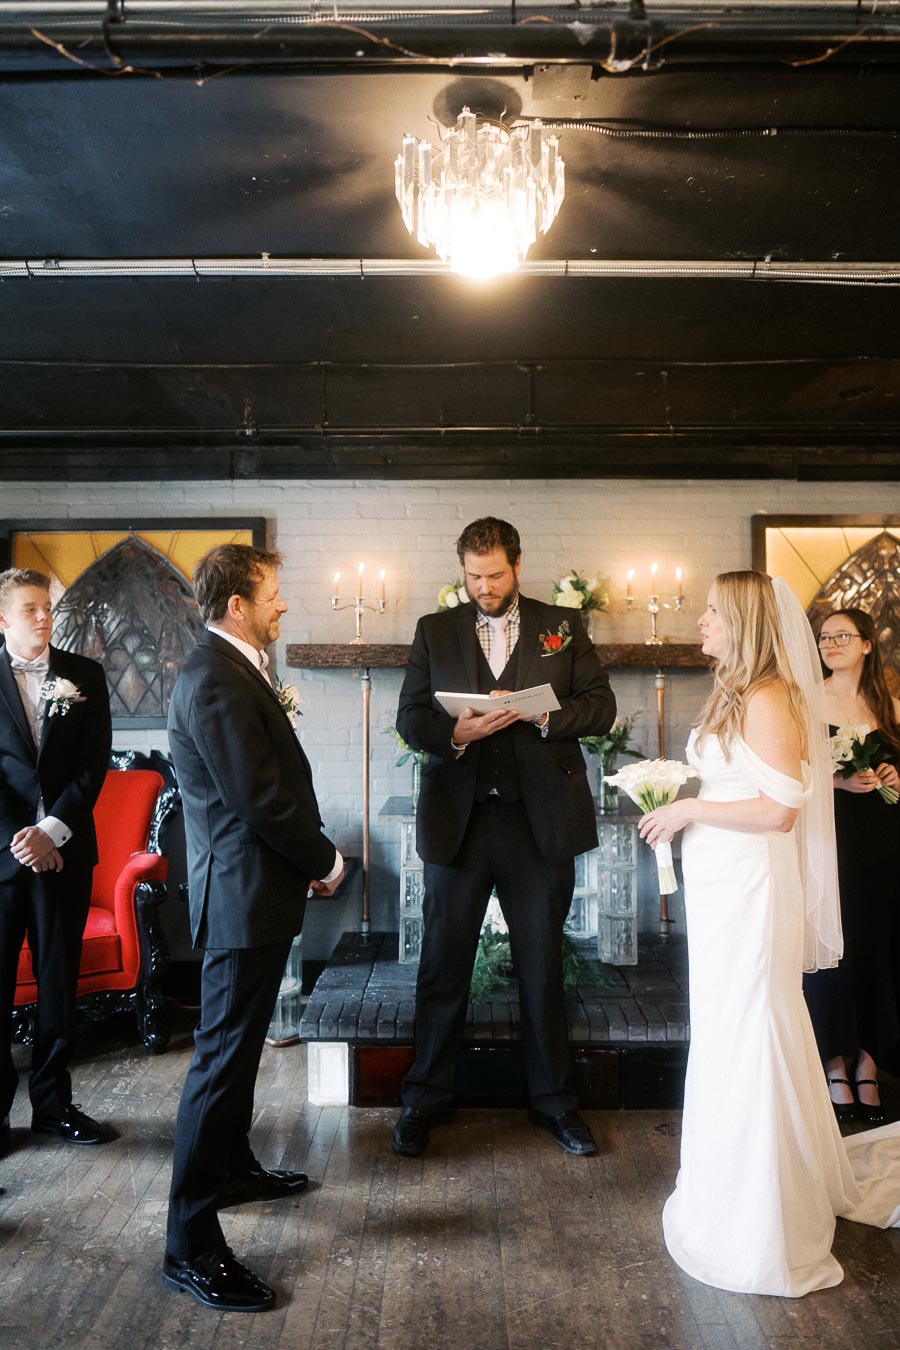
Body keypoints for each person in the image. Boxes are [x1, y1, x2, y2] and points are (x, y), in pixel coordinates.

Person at [640, 570, 900, 1297]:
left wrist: (690, 812)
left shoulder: (769, 696)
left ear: (746, 622)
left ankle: (761, 1218)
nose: (701, 622)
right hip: (725, 885)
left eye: (714, 614)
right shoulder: (737, 692)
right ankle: (730, 1182)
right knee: (729, 1025)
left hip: (753, 884)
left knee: (753, 1023)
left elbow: (781, 810)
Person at [392, 517, 616, 1160]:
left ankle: (555, 1104)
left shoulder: (562, 624)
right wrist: (455, 734)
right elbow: (411, 715)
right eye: (472, 576)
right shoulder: (434, 630)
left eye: (493, 575)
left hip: (536, 822)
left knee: (543, 965)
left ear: (516, 565)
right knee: (442, 965)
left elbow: (600, 706)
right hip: (458, 821)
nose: (483, 587)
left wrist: (546, 712)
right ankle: (424, 1099)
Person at [163, 544, 343, 1313]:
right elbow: (260, 799)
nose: (284, 604)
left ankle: (232, 1166)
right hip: (241, 898)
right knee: (220, 1066)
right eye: (274, 593)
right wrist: (326, 858)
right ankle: (190, 1246)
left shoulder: (234, 667)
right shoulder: (212, 678)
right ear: (238, 604)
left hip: (257, 892)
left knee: (235, 1061)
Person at [0, 567, 112, 1147]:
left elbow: (95, 766)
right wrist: (22, 839)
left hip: (65, 854)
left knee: (57, 982)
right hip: (1, 859)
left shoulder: (83, 675)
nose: (44, 618)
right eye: (29, 609)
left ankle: (53, 1105)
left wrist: (51, 831)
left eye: (47, 608)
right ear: (2, 618)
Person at [803, 607, 900, 1126]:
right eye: (824, 638)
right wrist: (837, 784)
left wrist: (894, 777)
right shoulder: (807, 699)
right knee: (834, 947)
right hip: (830, 841)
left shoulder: (890, 703)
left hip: (884, 845)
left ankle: (870, 1060)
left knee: (877, 947)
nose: (831, 643)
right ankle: (835, 1062)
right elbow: (791, 771)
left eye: (842, 636)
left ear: (867, 644)